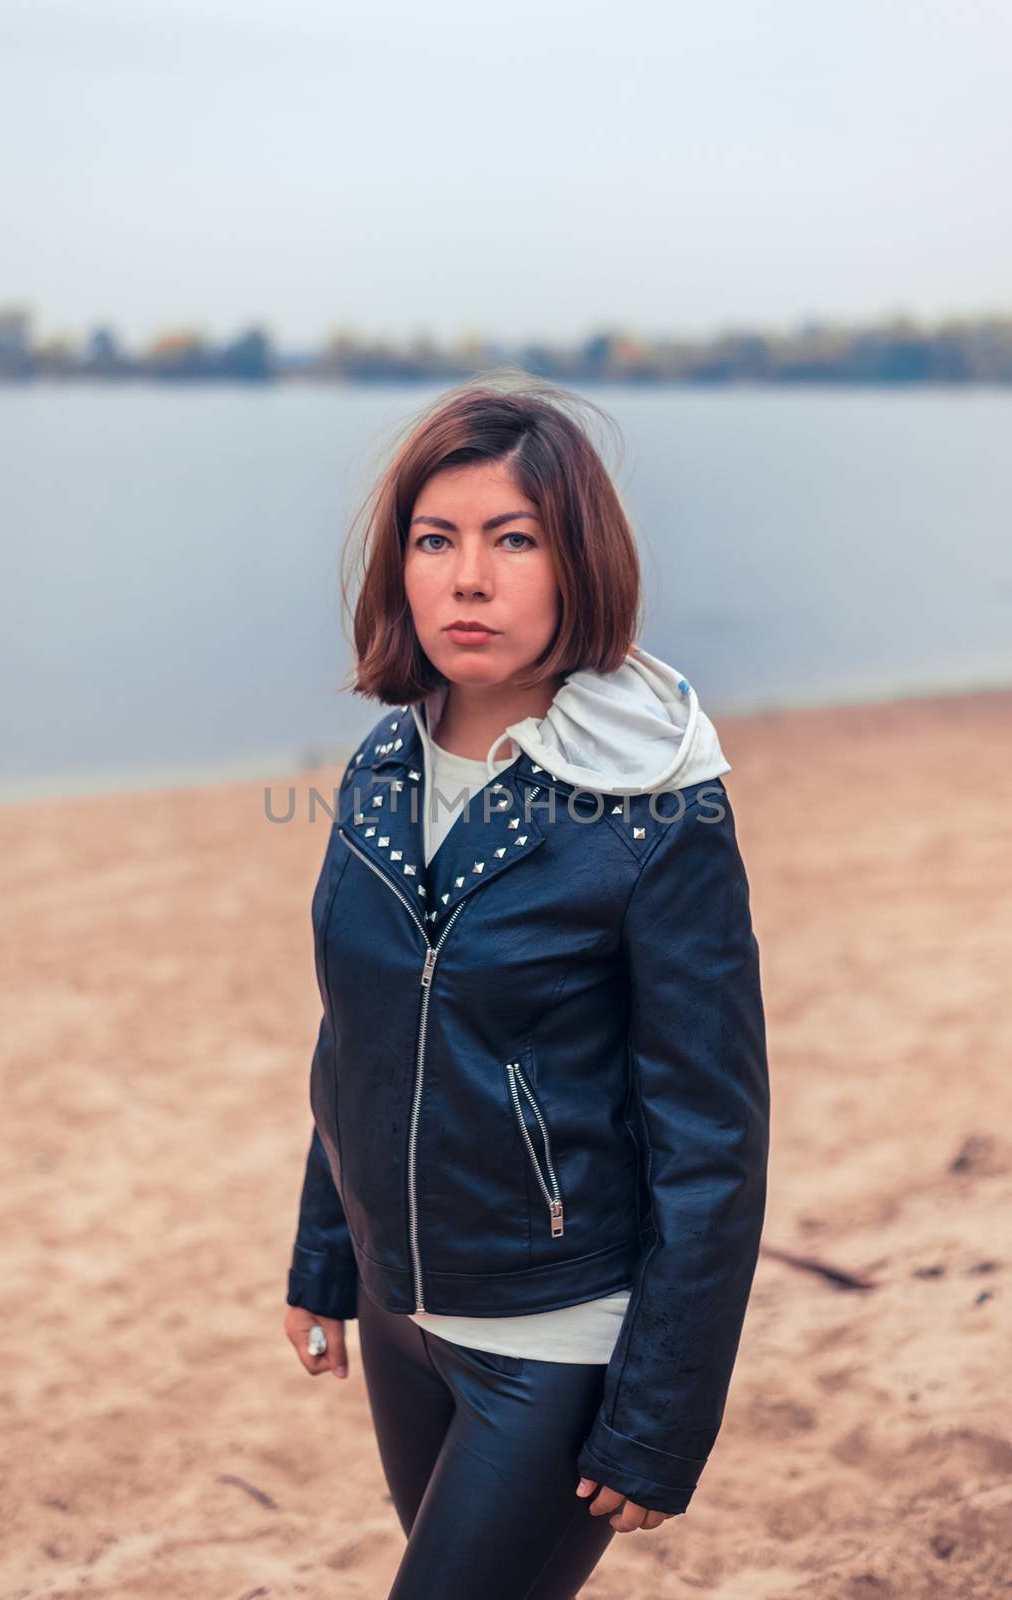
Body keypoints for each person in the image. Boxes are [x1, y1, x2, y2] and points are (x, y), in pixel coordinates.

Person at [282, 373, 771, 1599]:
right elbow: (360, 1033)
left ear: (578, 566)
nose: (468, 577)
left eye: (515, 540)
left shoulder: (658, 811)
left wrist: (663, 1414)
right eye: (435, 540)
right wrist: (325, 1258)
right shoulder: (387, 759)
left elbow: (714, 1138)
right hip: (405, 1320)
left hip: (556, 1344)